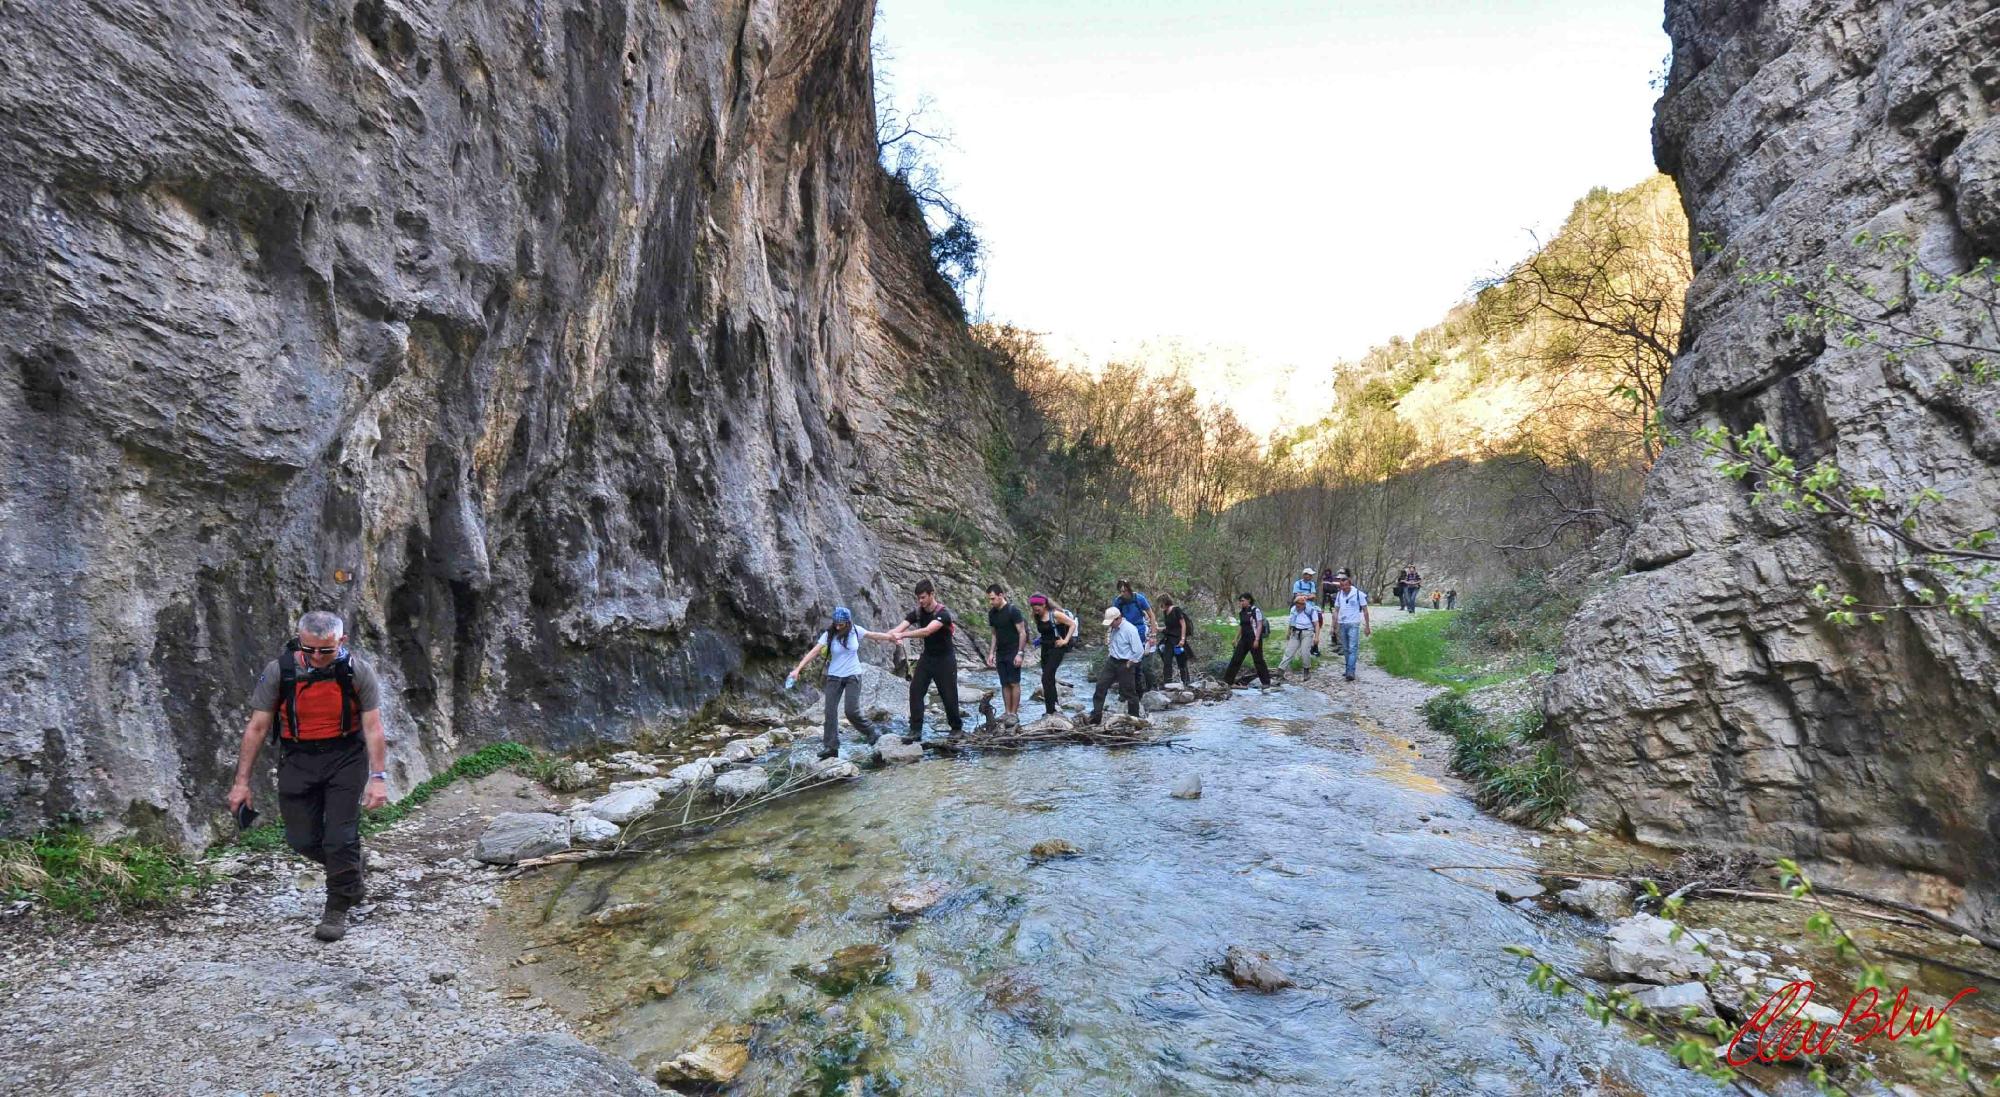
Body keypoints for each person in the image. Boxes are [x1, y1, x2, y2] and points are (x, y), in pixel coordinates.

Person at [228, 611, 390, 943]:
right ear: (300, 641)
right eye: (309, 649)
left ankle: (337, 907)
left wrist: (378, 777)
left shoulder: (357, 672)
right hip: (298, 758)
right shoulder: (280, 672)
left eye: (325, 651)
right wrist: (241, 783)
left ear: (341, 642)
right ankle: (350, 869)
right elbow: (257, 728)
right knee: (301, 840)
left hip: (346, 758)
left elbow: (373, 728)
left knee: (339, 836)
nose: (316, 657)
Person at [786, 607, 898, 759]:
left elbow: (873, 635)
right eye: (836, 624)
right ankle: (831, 747)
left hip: (853, 675)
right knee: (830, 712)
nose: (838, 627)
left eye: (841, 624)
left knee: (851, 711)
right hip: (834, 677)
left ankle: (871, 732)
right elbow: (814, 651)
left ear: (848, 622)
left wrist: (891, 637)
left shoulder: (856, 631)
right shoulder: (829, 634)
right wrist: (798, 669)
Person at [888, 579, 963, 740]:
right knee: (915, 691)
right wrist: (892, 635)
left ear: (931, 594)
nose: (920, 601)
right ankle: (915, 730)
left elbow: (927, 631)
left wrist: (903, 635)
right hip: (928, 658)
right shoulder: (918, 612)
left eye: (923, 597)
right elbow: (899, 628)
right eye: (918, 598)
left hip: (945, 660)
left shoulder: (943, 614)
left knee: (948, 695)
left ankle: (956, 728)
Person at [1090, 606, 1144, 723]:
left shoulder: (1130, 629)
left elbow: (1139, 650)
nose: (1110, 625)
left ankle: (1134, 718)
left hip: (1126, 662)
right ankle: (1096, 716)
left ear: (1118, 618)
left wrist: (1129, 664)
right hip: (1112, 661)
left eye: (1111, 622)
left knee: (1128, 692)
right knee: (1101, 686)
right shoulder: (1113, 628)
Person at [984, 584, 1030, 720]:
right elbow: (994, 634)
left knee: (1014, 682)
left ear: (1001, 595)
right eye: (989, 599)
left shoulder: (1013, 611)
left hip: (1014, 650)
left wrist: (1020, 653)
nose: (991, 602)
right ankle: (1007, 712)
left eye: (993, 599)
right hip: (1001, 652)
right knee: (1004, 683)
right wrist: (991, 653)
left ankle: (1014, 714)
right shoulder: (992, 613)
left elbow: (1022, 633)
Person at [1027, 594, 1077, 716]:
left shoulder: (1055, 615)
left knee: (1046, 677)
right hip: (1045, 648)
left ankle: (1051, 710)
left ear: (1044, 604)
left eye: (1038, 605)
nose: (1036, 608)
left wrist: (1065, 641)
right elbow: (1045, 631)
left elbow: (1072, 624)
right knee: (1049, 678)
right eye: (1033, 605)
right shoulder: (1036, 616)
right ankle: (1053, 706)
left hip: (1057, 648)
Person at [1113, 579, 1158, 690]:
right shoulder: (1118, 601)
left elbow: (1151, 616)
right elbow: (1114, 620)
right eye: (1121, 591)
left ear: (1129, 589)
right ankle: (1134, 691)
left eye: (1125, 591)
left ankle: (1152, 688)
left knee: (1146, 666)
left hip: (1142, 633)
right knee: (1130, 665)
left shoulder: (1139, 599)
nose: (1123, 593)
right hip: (1127, 635)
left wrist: (1153, 635)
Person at [1221, 592, 1272, 687]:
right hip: (1244, 639)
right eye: (1240, 601)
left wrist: (1257, 639)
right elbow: (1242, 625)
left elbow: (1259, 625)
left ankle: (1266, 682)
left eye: (1242, 601)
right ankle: (1227, 681)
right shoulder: (1242, 612)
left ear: (1249, 600)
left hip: (1254, 638)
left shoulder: (1255, 610)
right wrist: (1235, 638)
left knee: (1258, 660)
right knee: (1236, 658)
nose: (1241, 603)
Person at [1332, 573, 1373, 681]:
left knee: (1352, 648)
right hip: (1342, 623)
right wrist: (1334, 625)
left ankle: (1351, 671)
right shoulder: (1339, 594)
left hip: (1354, 623)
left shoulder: (1358, 594)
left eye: (1346, 585)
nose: (1344, 588)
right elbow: (1336, 610)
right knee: (1345, 649)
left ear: (1350, 584)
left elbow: (1365, 610)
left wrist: (1367, 626)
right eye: (1342, 586)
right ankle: (1348, 669)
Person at [1155, 593, 1194, 688]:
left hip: (1178, 640)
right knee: (1167, 661)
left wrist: (1183, 639)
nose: (1160, 605)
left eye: (1161, 603)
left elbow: (1183, 624)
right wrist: (1158, 628)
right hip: (1169, 639)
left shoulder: (1176, 610)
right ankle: (1167, 683)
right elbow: (1170, 628)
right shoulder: (1165, 612)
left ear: (1165, 602)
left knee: (1181, 662)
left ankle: (1186, 683)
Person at [1281, 593, 1319, 676]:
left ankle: (1306, 671)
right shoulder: (1293, 610)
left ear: (1304, 604)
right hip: (1295, 632)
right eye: (1297, 605)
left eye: (1300, 605)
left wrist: (1316, 637)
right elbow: (1291, 621)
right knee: (1289, 652)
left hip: (1307, 632)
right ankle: (1280, 671)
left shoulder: (1311, 610)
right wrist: (1288, 632)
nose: (1298, 607)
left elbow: (1316, 624)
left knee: (1305, 652)